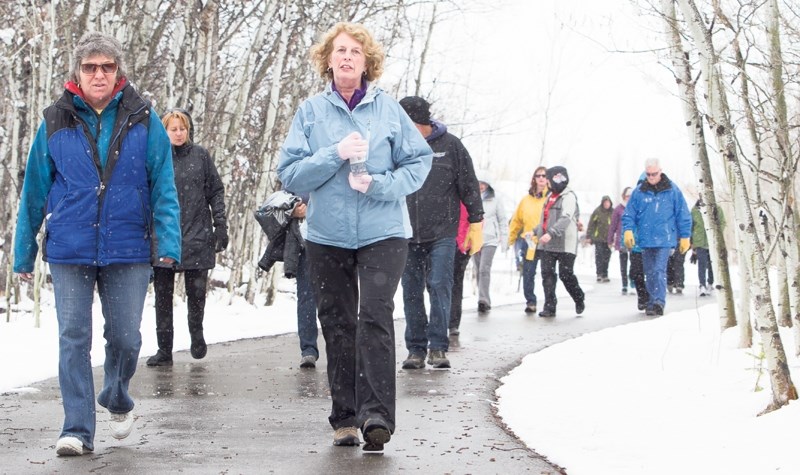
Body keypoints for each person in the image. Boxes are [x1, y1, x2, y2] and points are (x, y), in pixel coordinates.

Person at [13, 32, 181, 456]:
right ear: (77, 73)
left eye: (107, 66)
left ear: (119, 72)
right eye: (91, 67)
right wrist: (24, 252)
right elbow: (34, 188)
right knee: (73, 335)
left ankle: (118, 394)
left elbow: (163, 184)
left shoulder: (144, 118)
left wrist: (169, 243)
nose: (99, 74)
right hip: (70, 246)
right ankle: (77, 429)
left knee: (125, 338)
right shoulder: (55, 119)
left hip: (129, 245)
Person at [277, 22, 432, 452]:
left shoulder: (387, 110)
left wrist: (380, 185)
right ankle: (345, 417)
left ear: (368, 62)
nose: (347, 57)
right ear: (328, 59)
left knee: (376, 317)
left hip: (384, 231)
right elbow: (289, 173)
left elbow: (418, 163)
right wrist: (334, 154)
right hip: (328, 234)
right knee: (338, 323)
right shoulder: (310, 111)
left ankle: (377, 417)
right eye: (340, 50)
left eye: (356, 52)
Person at [399, 95, 483, 371]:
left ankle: (437, 347)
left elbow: (469, 185)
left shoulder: (451, 146)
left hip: (442, 233)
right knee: (411, 291)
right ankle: (415, 349)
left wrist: (476, 222)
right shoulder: (397, 147)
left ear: (418, 122)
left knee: (439, 285)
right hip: (406, 232)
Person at [146, 109, 227, 367]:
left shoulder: (200, 156)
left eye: (182, 128)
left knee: (197, 294)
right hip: (165, 236)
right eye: (173, 129)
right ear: (165, 131)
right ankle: (164, 350)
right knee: (162, 297)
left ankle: (197, 334)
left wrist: (220, 225)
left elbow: (215, 191)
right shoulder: (157, 157)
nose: (179, 133)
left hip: (197, 233)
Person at [255, 190, 318, 368]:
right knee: (306, 297)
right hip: (304, 240)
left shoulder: (339, 165)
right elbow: (283, 197)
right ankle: (308, 350)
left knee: (336, 298)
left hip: (335, 240)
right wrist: (293, 210)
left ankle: (340, 346)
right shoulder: (297, 168)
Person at [622, 159, 692, 316]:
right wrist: (628, 230)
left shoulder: (672, 190)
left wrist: (685, 236)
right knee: (650, 271)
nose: (651, 177)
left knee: (659, 270)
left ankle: (659, 301)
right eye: (648, 174)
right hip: (646, 238)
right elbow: (629, 214)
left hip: (665, 238)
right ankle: (652, 301)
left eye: (654, 174)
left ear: (660, 171)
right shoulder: (639, 192)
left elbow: (683, 214)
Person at [533, 166, 585, 317]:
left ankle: (578, 297)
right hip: (548, 244)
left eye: (548, 179)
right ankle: (550, 307)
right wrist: (535, 230)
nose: (546, 182)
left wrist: (551, 233)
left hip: (565, 244)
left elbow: (566, 218)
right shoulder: (550, 196)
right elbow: (546, 219)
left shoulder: (568, 196)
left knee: (565, 274)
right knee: (547, 274)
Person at [508, 166, 549, 314]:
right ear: (534, 179)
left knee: (547, 274)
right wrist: (511, 238)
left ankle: (549, 303)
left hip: (546, 241)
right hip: (529, 241)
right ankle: (530, 301)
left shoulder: (551, 198)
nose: (541, 178)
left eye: (544, 175)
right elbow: (516, 220)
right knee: (528, 273)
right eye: (538, 175)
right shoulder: (525, 200)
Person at [472, 171, 509, 313]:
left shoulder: (495, 200)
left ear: (488, 185)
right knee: (477, 270)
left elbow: (502, 220)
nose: (481, 186)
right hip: (475, 239)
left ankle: (484, 300)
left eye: (483, 183)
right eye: (478, 183)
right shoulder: (472, 197)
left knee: (484, 269)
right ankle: (481, 297)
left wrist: (504, 239)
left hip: (490, 240)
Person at [691, 198, 725, 296]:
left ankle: (710, 283)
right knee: (701, 264)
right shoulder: (694, 210)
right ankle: (702, 285)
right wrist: (692, 242)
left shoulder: (717, 209)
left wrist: (716, 233)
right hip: (699, 242)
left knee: (712, 264)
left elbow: (722, 222)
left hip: (713, 242)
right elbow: (691, 226)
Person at [449, 203, 473, 336]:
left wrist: (466, 244)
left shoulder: (467, 197)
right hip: (442, 243)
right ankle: (441, 318)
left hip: (461, 246)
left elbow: (476, 221)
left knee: (456, 283)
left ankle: (453, 322)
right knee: (437, 283)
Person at [608, 187, 633, 294]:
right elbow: (613, 225)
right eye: (627, 196)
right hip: (621, 239)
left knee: (634, 263)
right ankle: (624, 283)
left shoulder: (635, 208)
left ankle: (632, 278)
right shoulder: (618, 209)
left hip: (633, 240)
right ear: (624, 196)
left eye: (631, 196)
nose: (629, 198)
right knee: (623, 264)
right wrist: (610, 239)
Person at [586, 195, 613, 282]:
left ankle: (605, 274)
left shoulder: (613, 212)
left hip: (609, 239)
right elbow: (591, 224)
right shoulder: (597, 211)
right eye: (605, 202)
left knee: (607, 257)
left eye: (608, 202)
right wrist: (589, 236)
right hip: (599, 238)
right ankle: (599, 274)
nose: (606, 204)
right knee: (599, 256)